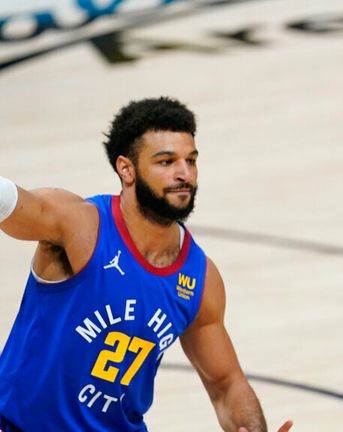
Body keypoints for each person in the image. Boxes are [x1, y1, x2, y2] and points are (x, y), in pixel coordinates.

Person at [0, 97, 292, 432]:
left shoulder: (199, 276)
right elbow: (15, 205)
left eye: (191, 160)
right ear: (126, 168)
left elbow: (225, 384)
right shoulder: (80, 224)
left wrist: (252, 429)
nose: (184, 174)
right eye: (166, 161)